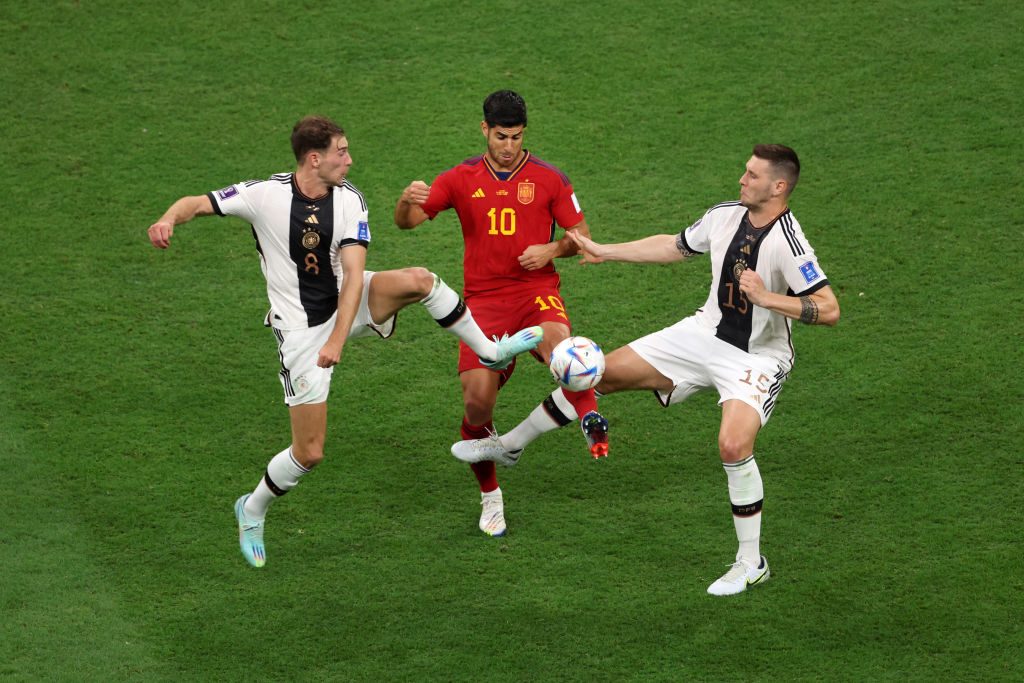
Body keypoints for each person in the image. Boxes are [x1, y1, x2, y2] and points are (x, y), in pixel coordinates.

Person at [147, 115, 543, 568]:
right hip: (301, 334)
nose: (350, 160)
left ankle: (490, 350)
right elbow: (197, 203)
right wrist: (168, 219)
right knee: (309, 452)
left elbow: (354, 275)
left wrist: (339, 337)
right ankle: (251, 509)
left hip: (346, 301)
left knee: (419, 280)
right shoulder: (264, 195)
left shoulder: (349, 198)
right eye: (342, 152)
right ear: (315, 159)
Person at [452, 144, 840, 595]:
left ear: (778, 187)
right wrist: (604, 251)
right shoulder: (725, 215)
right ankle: (510, 446)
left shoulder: (789, 241)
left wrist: (767, 298)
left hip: (756, 358)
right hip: (704, 334)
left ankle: (751, 562)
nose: (741, 179)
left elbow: (829, 309)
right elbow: (674, 247)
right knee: (596, 374)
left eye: (752, 175)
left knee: (734, 444)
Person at [394, 90, 608, 538]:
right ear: (484, 130)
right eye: (500, 137)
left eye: (516, 137)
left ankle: (591, 418)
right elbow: (407, 222)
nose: (508, 147)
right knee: (477, 405)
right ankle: (491, 494)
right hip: (484, 302)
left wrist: (552, 249)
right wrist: (406, 199)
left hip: (535, 291)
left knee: (563, 350)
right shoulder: (460, 178)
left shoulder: (549, 178)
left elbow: (582, 237)